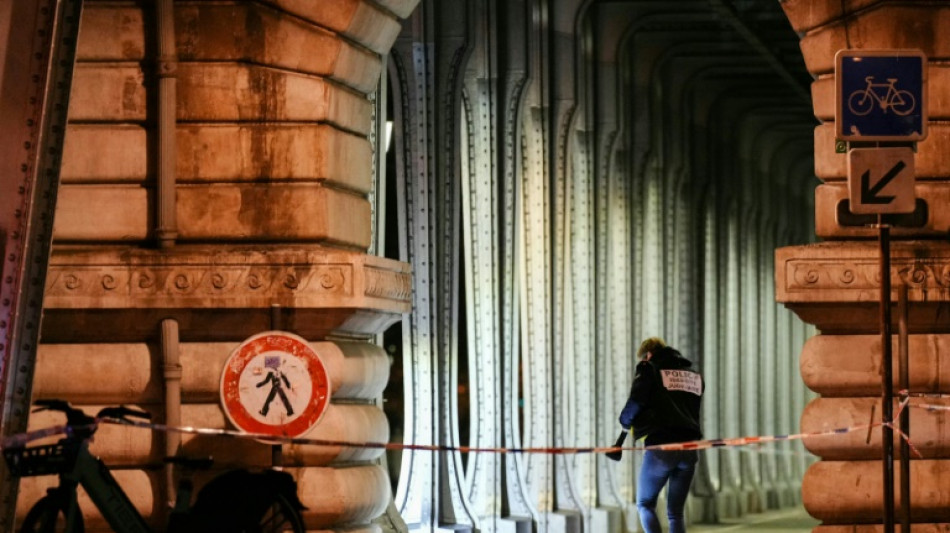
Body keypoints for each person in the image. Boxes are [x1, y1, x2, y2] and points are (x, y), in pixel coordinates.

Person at [607, 337, 703, 533]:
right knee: (675, 511)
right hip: (690, 449)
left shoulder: (649, 369)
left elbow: (637, 400)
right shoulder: (693, 375)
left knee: (645, 504)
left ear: (648, 355)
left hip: (662, 448)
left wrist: (625, 422)